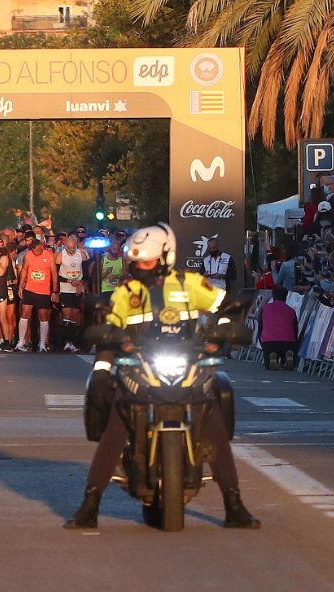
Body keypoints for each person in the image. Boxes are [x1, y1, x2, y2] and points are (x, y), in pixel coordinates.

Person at [64, 223, 259, 530]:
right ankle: (90, 505)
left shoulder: (190, 283)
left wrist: (224, 327)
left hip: (188, 366)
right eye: (137, 262)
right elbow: (109, 327)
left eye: (148, 261)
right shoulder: (127, 292)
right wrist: (103, 357)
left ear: (166, 257)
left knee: (214, 422)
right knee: (116, 425)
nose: (141, 267)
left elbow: (223, 306)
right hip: (139, 369)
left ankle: (234, 505)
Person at [16, 238, 57, 353]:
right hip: (29, 289)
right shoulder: (28, 255)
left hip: (43, 291)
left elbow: (54, 273)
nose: (35, 253)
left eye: (37, 251)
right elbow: (24, 270)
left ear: (41, 247)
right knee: (24, 313)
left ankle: (42, 344)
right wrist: (21, 286)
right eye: (33, 251)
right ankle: (21, 342)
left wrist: (55, 290)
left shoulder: (49, 255)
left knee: (43, 316)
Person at [258, 286, 299, 370]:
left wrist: (262, 343)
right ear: (286, 297)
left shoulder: (264, 308)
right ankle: (287, 357)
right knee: (287, 351)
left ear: (273, 296)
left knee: (268, 364)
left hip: (268, 342)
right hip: (287, 342)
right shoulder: (291, 310)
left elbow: (260, 327)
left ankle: (272, 356)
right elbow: (295, 330)